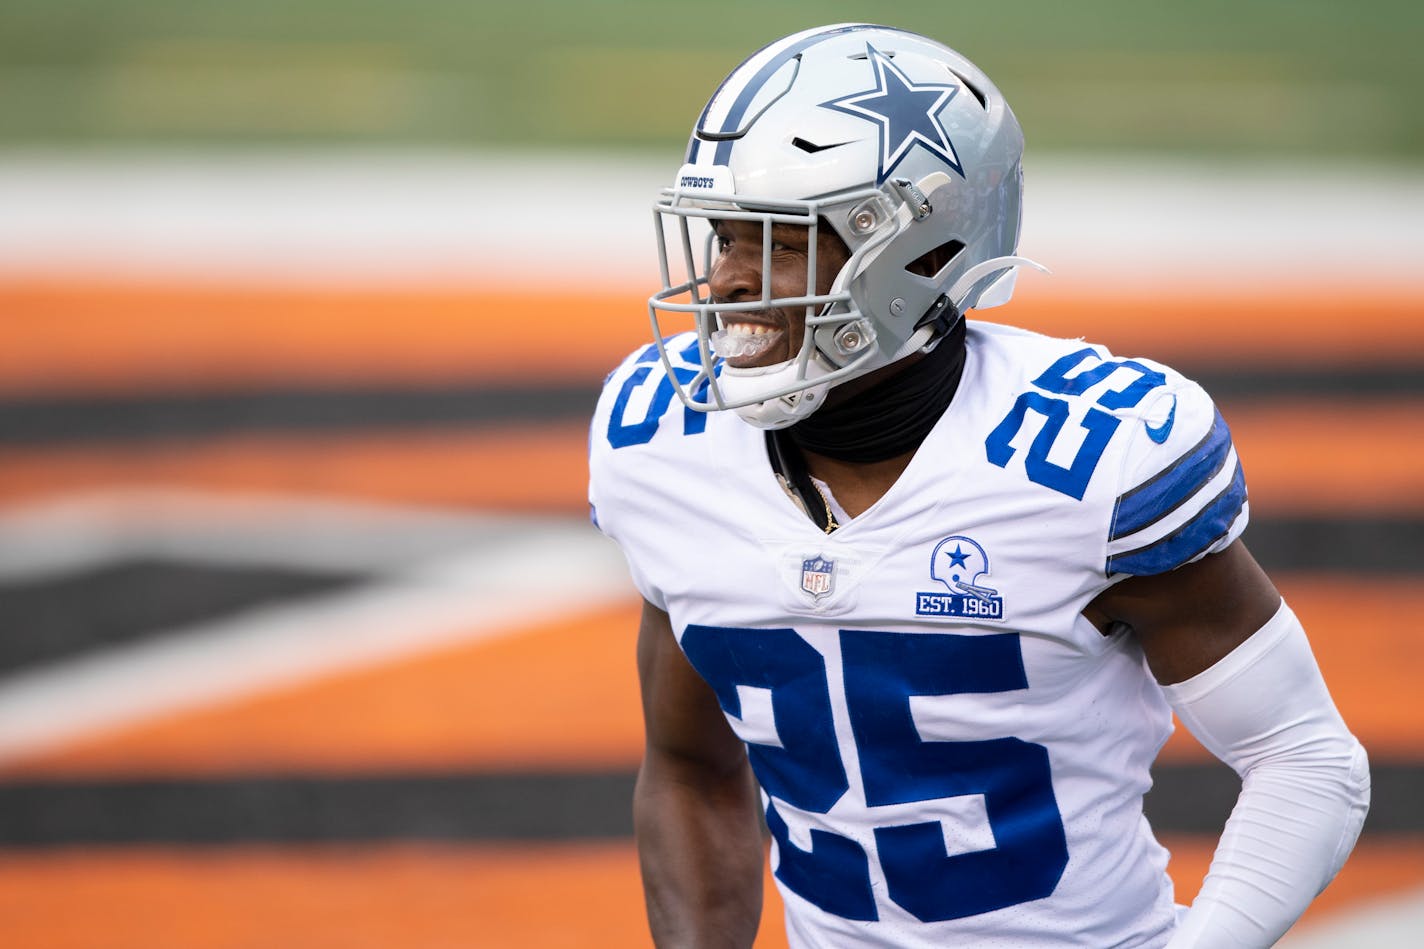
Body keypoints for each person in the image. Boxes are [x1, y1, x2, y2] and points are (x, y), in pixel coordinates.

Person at [587, 23, 1369, 948]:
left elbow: (1306, 758)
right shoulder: (661, 441)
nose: (722, 284)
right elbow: (688, 762)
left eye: (779, 243)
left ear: (919, 255)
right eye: (723, 236)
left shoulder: (1089, 461)